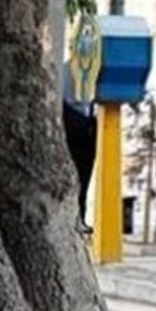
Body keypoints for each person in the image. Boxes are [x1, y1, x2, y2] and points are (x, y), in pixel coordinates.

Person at [61, 70, 97, 236]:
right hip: (79, 126)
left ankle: (78, 218)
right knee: (81, 179)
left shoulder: (69, 68)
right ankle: (78, 219)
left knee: (79, 180)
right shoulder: (83, 69)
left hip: (79, 122)